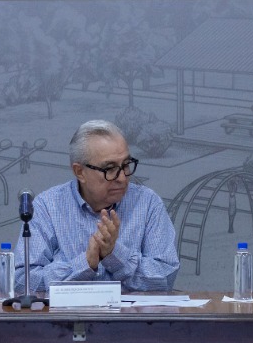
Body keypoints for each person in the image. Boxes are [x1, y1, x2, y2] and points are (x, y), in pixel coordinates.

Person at [22, 119, 178, 293]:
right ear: (80, 172)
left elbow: (166, 276)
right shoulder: (48, 207)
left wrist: (114, 254)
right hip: (68, 312)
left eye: (126, 165)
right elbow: (23, 281)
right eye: (110, 169)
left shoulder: (147, 203)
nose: (122, 178)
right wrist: (85, 264)